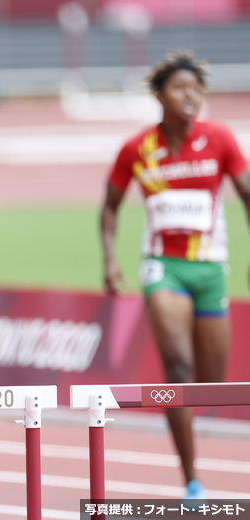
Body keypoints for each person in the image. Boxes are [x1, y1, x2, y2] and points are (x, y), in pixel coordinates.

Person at [100, 50, 250, 501]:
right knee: (179, 369)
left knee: (211, 384)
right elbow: (109, 206)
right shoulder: (138, 149)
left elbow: (246, 196)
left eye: (196, 88)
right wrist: (110, 258)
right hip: (163, 268)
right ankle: (192, 481)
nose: (191, 96)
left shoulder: (220, 139)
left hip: (210, 269)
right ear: (160, 95)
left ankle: (185, 429)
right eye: (180, 88)